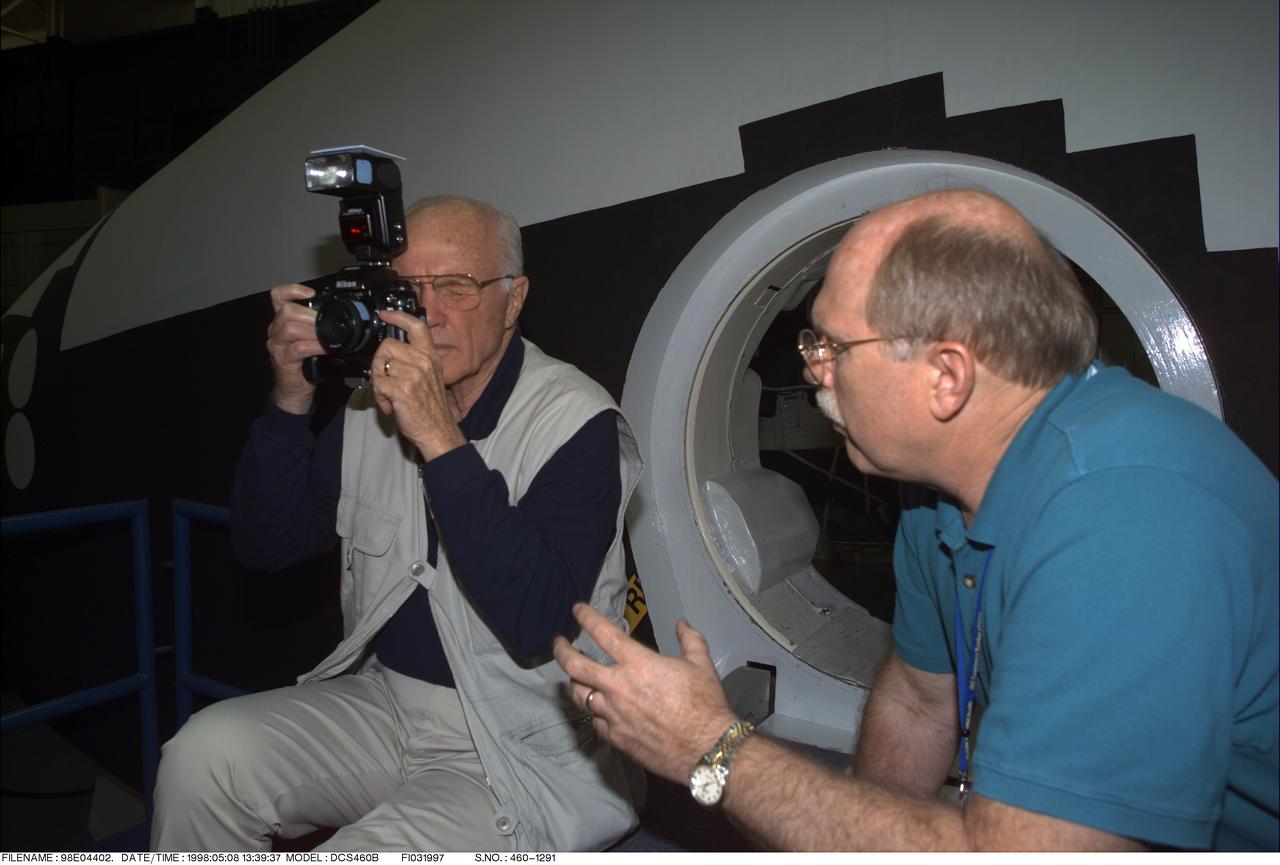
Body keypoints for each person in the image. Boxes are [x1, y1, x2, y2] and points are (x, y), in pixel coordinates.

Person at [554, 188, 1279, 851]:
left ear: (947, 375)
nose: (813, 370)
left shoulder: (1127, 517)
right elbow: (918, 696)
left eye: (833, 346)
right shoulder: (937, 495)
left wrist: (709, 746)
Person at [152, 195, 644, 851]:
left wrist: (440, 436)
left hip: (526, 734)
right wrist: (292, 398)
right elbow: (265, 547)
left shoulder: (576, 421)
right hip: (387, 702)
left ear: (514, 298)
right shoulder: (368, 409)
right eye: (407, 289)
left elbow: (537, 621)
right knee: (200, 755)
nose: (427, 313)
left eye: (456, 286)